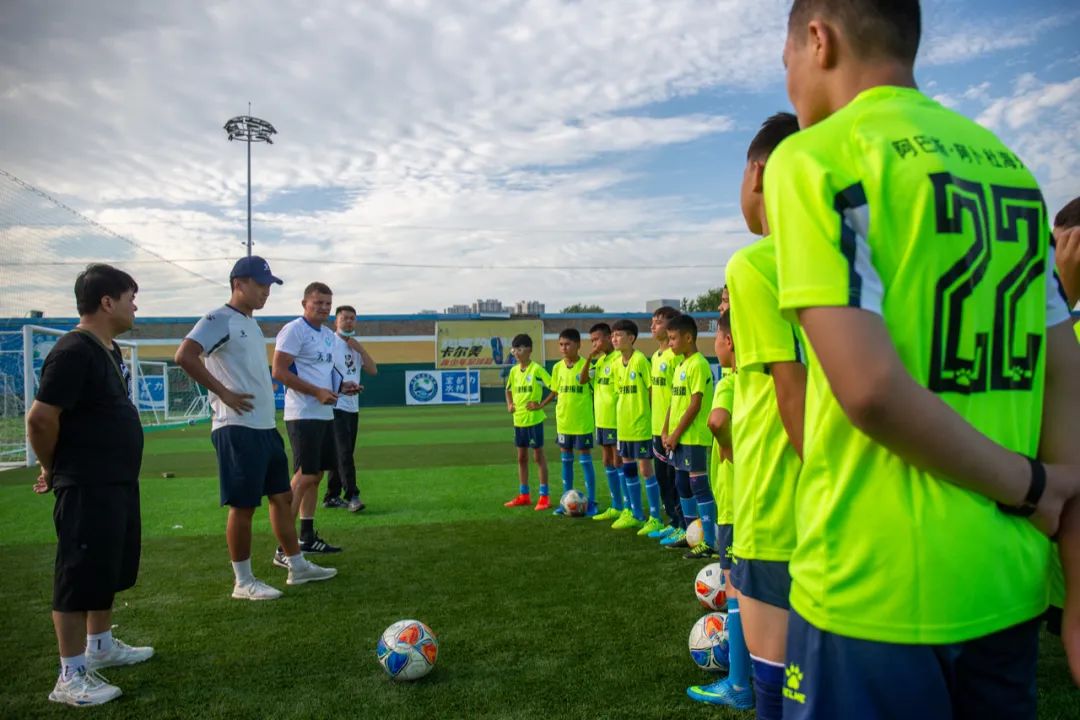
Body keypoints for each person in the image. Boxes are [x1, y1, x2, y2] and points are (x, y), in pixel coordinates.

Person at [772, 0, 1080, 715]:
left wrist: (1028, 485)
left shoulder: (816, 156)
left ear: (818, 40)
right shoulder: (1007, 168)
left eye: (785, 59)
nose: (788, 78)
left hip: (872, 588)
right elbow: (1064, 377)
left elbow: (870, 389)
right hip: (1005, 583)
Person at [175, 257, 337, 601]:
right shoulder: (218, 318)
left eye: (268, 285)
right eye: (260, 284)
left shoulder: (250, 323)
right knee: (244, 505)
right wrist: (224, 392)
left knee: (282, 497)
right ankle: (243, 581)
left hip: (264, 426)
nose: (266, 291)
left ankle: (296, 565)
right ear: (238, 284)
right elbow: (185, 355)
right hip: (236, 427)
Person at [26, 264, 152, 706]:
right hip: (86, 482)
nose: (135, 306)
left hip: (115, 480)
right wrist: (52, 468)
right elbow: (40, 419)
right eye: (131, 297)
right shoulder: (73, 351)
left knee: (106, 567)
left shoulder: (108, 349)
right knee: (77, 575)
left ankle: (101, 646)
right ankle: (70, 676)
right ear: (107, 301)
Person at [723, 110, 805, 719]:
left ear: (757, 172)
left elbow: (789, 390)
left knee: (777, 686)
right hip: (843, 507)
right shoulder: (855, 259)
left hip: (775, 506)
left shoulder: (755, 265)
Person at [687, 308, 753, 709]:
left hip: (732, 504)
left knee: (737, 596)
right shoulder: (765, 379)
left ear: (728, 341)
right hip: (756, 498)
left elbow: (715, 421)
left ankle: (739, 685)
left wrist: (726, 443)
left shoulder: (730, 381)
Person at [272, 282, 359, 559]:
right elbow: (279, 372)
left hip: (324, 412)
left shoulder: (327, 336)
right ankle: (283, 548)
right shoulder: (294, 330)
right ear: (304, 304)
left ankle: (306, 537)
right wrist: (316, 392)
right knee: (304, 475)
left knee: (316, 475)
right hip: (302, 413)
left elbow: (322, 373)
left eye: (327, 304)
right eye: (318, 302)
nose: (323, 308)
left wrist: (342, 387)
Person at [662, 313, 718, 560]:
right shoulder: (680, 366)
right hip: (678, 437)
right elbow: (673, 403)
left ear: (688, 338)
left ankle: (710, 542)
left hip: (693, 437)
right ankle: (690, 534)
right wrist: (665, 430)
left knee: (698, 486)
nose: (670, 343)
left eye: (673, 338)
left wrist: (675, 434)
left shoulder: (698, 364)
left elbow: (695, 405)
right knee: (682, 485)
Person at [322, 304, 378, 513]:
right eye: (344, 318)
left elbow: (373, 370)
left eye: (352, 318)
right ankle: (353, 495)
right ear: (335, 322)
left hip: (352, 407)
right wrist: (339, 387)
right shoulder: (329, 343)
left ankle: (331, 496)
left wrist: (359, 349)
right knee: (344, 452)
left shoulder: (355, 345)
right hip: (335, 405)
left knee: (342, 452)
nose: (348, 321)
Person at [538, 328, 598, 515]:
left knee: (585, 460)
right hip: (564, 422)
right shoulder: (557, 367)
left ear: (578, 345)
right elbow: (555, 391)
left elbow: (589, 386)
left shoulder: (588, 366)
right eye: (561, 344)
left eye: (567, 344)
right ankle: (565, 502)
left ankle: (592, 502)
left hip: (582, 422)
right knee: (566, 461)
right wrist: (541, 405)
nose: (563, 348)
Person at [610, 319, 659, 532]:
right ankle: (636, 514)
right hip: (624, 426)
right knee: (628, 468)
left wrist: (649, 416)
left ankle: (655, 517)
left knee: (645, 469)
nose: (614, 339)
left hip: (641, 426)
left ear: (631, 338)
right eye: (613, 335)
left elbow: (651, 390)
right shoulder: (615, 365)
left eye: (618, 335)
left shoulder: (640, 361)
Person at [503, 334, 553, 510]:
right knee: (521, 458)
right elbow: (508, 390)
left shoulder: (537, 369)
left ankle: (544, 496)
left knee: (538, 457)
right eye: (514, 349)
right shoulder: (514, 371)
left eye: (520, 349)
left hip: (533, 420)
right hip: (519, 421)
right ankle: (524, 495)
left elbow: (554, 388)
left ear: (529, 350)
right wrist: (510, 404)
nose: (516, 353)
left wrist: (540, 405)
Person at [582, 323, 626, 521]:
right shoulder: (599, 362)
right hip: (601, 420)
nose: (594, 344)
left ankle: (627, 506)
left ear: (609, 338)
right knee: (607, 461)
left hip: (615, 420)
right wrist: (589, 358)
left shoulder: (619, 359)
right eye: (592, 341)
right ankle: (616, 505)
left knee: (619, 461)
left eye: (597, 339)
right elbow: (582, 380)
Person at [648, 306, 684, 538]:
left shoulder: (675, 356)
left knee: (675, 478)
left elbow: (678, 396)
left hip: (671, 430)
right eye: (652, 321)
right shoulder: (655, 356)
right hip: (656, 428)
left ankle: (683, 524)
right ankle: (672, 520)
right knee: (661, 477)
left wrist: (669, 427)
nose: (653, 326)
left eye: (658, 322)